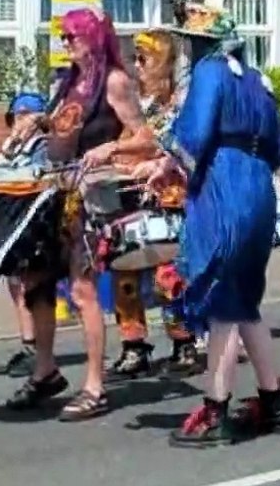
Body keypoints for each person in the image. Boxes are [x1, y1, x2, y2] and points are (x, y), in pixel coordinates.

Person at [140, 2, 280, 447]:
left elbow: (195, 131)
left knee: (223, 298)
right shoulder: (258, 79)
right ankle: (273, 401)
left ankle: (215, 411)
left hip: (224, 182)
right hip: (258, 185)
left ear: (199, 42)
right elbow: (279, 146)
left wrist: (168, 164)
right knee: (244, 298)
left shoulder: (210, 71)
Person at [5, 8, 149, 421]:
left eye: (71, 36)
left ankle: (94, 385)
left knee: (83, 291)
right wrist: (38, 122)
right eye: (62, 37)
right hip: (56, 192)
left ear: (93, 36)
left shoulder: (115, 82)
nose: (65, 43)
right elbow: (65, 129)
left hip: (90, 199)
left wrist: (113, 148)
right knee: (36, 280)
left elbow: (148, 137)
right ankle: (46, 370)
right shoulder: (69, 82)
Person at [105, 27, 207, 381]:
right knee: (123, 271)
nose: (137, 66)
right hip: (134, 199)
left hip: (175, 201)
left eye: (144, 59)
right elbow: (129, 141)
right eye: (134, 58)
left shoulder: (182, 104)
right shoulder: (139, 104)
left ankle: (184, 343)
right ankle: (134, 346)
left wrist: (127, 154)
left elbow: (170, 143)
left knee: (170, 277)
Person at [0, 92, 50, 377]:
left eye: (26, 116)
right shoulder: (12, 146)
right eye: (16, 116)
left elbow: (33, 178)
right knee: (15, 283)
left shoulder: (43, 146)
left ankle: (37, 348)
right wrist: (11, 144)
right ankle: (28, 343)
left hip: (35, 220)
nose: (19, 122)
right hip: (12, 221)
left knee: (28, 284)